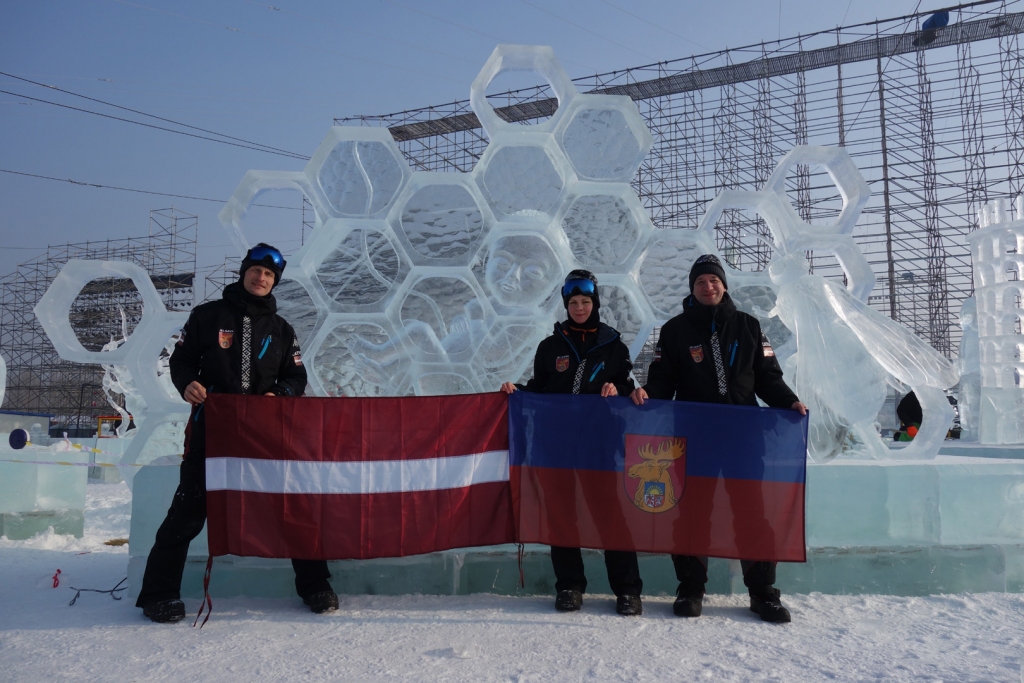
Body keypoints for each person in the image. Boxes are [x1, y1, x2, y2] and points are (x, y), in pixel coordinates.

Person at [136, 243, 338, 623]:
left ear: (274, 281)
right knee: (188, 509)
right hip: (212, 431)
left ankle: (315, 584)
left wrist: (281, 393)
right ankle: (158, 594)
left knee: (294, 506)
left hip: (265, 435)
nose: (261, 278)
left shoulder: (282, 329)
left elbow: (297, 377)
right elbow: (181, 361)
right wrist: (188, 384)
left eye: (269, 275)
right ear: (243, 273)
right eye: (255, 271)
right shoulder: (206, 316)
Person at [630, 254, 807, 624]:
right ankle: (691, 588)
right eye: (700, 282)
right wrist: (647, 392)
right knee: (693, 512)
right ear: (692, 289)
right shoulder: (674, 331)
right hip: (694, 439)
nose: (707, 287)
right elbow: (663, 379)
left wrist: (789, 400)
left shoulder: (748, 326)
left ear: (723, 285)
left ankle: (762, 593)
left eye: (713, 280)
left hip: (743, 439)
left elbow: (767, 377)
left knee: (752, 514)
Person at [501, 270, 643, 616]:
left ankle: (627, 590)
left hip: (600, 444)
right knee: (562, 515)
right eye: (574, 302)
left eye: (585, 301)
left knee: (610, 514)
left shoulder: (613, 345)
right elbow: (540, 388)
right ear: (566, 304)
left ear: (595, 303)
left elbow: (627, 386)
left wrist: (620, 390)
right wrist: (517, 392)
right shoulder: (550, 347)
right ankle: (569, 586)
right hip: (558, 445)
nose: (579, 307)